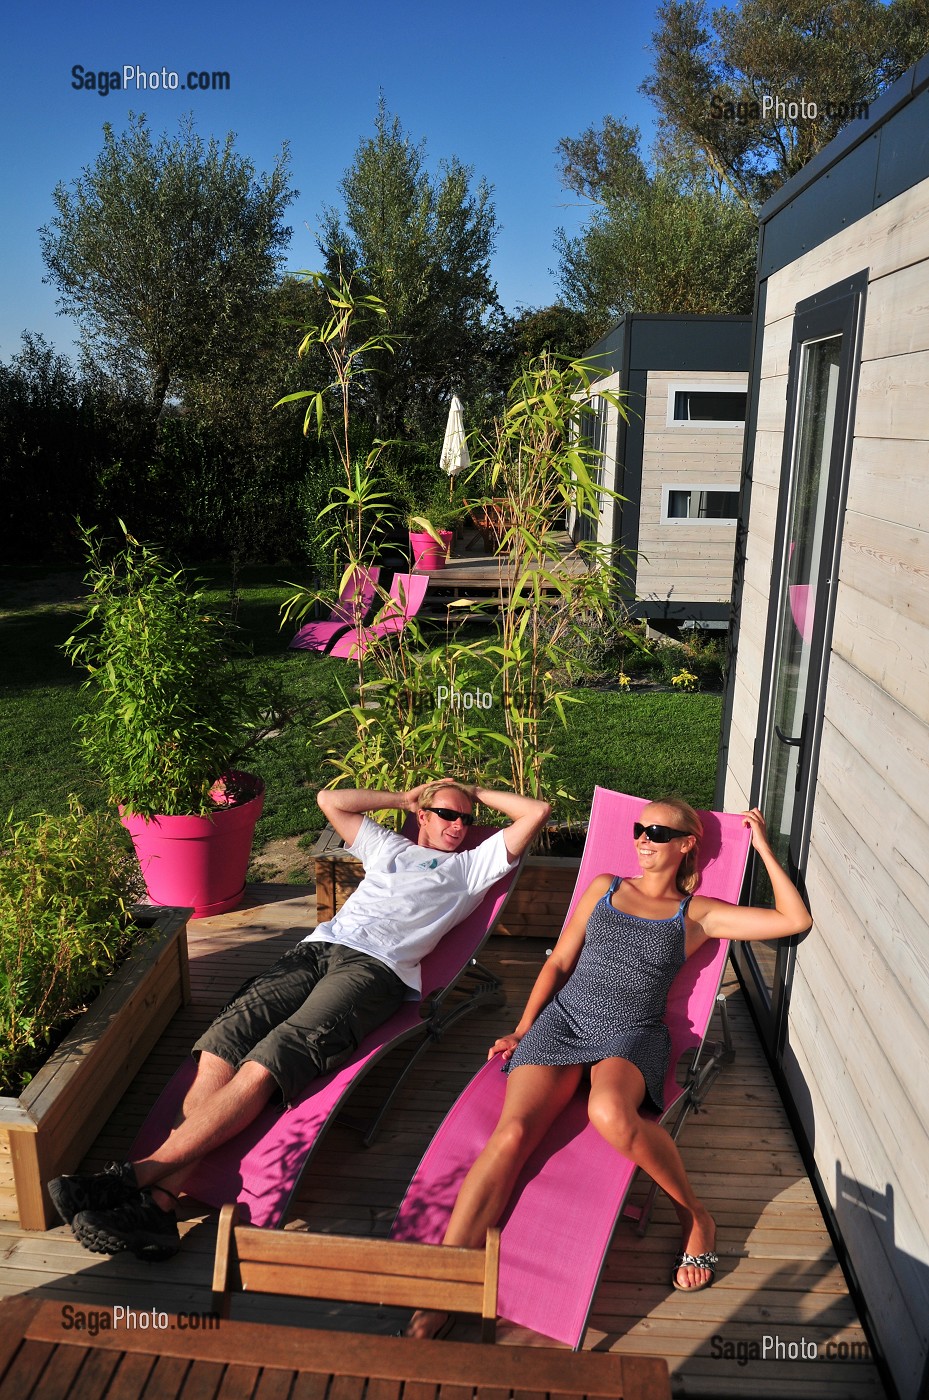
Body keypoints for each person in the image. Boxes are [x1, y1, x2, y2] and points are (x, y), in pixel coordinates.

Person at [49, 780, 551, 1260]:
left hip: (373, 971)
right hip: (314, 950)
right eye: (446, 814)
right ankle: (158, 1206)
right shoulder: (391, 848)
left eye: (466, 819)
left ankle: (131, 1178)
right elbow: (330, 800)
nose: (459, 825)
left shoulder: (470, 869)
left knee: (271, 1059)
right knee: (222, 1045)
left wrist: (470, 790)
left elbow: (536, 811)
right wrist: (404, 795)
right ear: (421, 815)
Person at [406, 797, 812, 1338]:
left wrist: (761, 847)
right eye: (640, 829)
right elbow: (558, 961)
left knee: (610, 1112)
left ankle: (696, 1216)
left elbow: (794, 919)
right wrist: (525, 1027)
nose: (643, 840)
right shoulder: (604, 886)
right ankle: (444, 1285)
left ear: (687, 844)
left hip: (632, 1034)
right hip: (565, 1021)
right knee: (511, 1135)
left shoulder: (697, 913)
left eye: (658, 833)